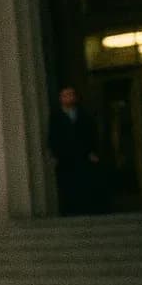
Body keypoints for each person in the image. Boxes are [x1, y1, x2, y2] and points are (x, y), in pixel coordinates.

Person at [48, 86, 105, 216]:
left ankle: (86, 209)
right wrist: (54, 154)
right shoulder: (56, 117)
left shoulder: (84, 115)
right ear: (60, 98)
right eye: (65, 95)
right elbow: (52, 137)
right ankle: (69, 211)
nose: (69, 97)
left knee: (84, 183)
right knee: (67, 185)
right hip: (65, 158)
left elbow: (91, 135)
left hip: (83, 155)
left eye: (71, 94)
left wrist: (92, 151)